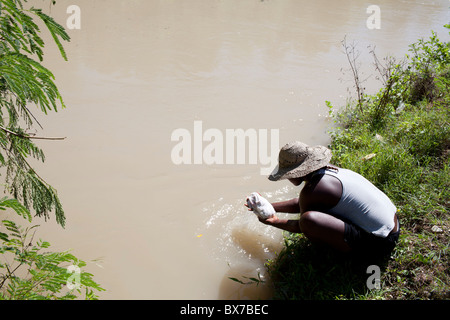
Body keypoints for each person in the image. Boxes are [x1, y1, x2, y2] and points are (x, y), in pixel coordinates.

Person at [246, 141, 400, 258]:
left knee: (308, 220)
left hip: (380, 244)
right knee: (314, 214)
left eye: (288, 173)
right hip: (392, 225)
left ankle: (343, 257)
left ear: (297, 172)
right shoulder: (329, 172)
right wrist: (267, 206)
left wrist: (273, 221)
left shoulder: (314, 190)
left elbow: (302, 226)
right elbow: (301, 202)